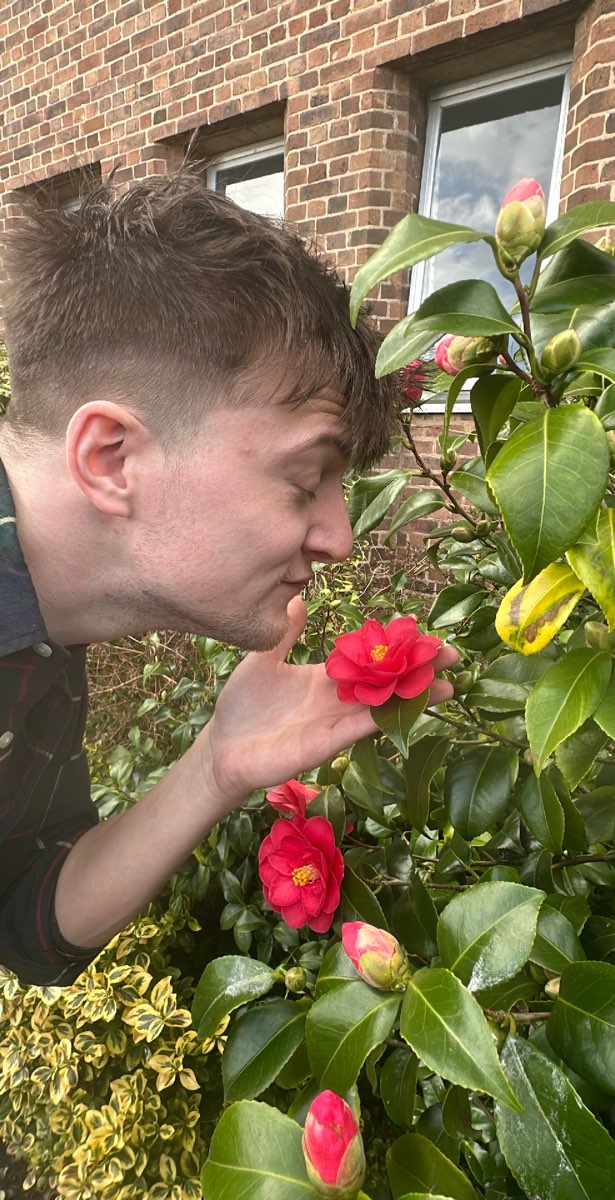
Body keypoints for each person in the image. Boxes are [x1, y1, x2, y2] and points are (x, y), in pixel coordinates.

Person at [0, 171, 457, 985]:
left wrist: (216, 765)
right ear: (112, 459)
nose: (340, 539)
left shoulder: (38, 642)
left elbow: (25, 908)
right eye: (303, 478)